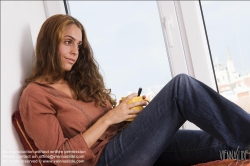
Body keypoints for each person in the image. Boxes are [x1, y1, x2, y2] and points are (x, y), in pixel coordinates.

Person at [19, 14, 250, 166]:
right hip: (105, 161)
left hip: (127, 148)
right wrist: (111, 117)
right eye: (68, 42)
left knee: (225, 144)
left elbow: (111, 126)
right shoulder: (35, 95)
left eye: (78, 45)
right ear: (49, 44)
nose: (75, 52)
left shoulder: (78, 82)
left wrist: (128, 115)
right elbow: (62, 157)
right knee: (181, 87)